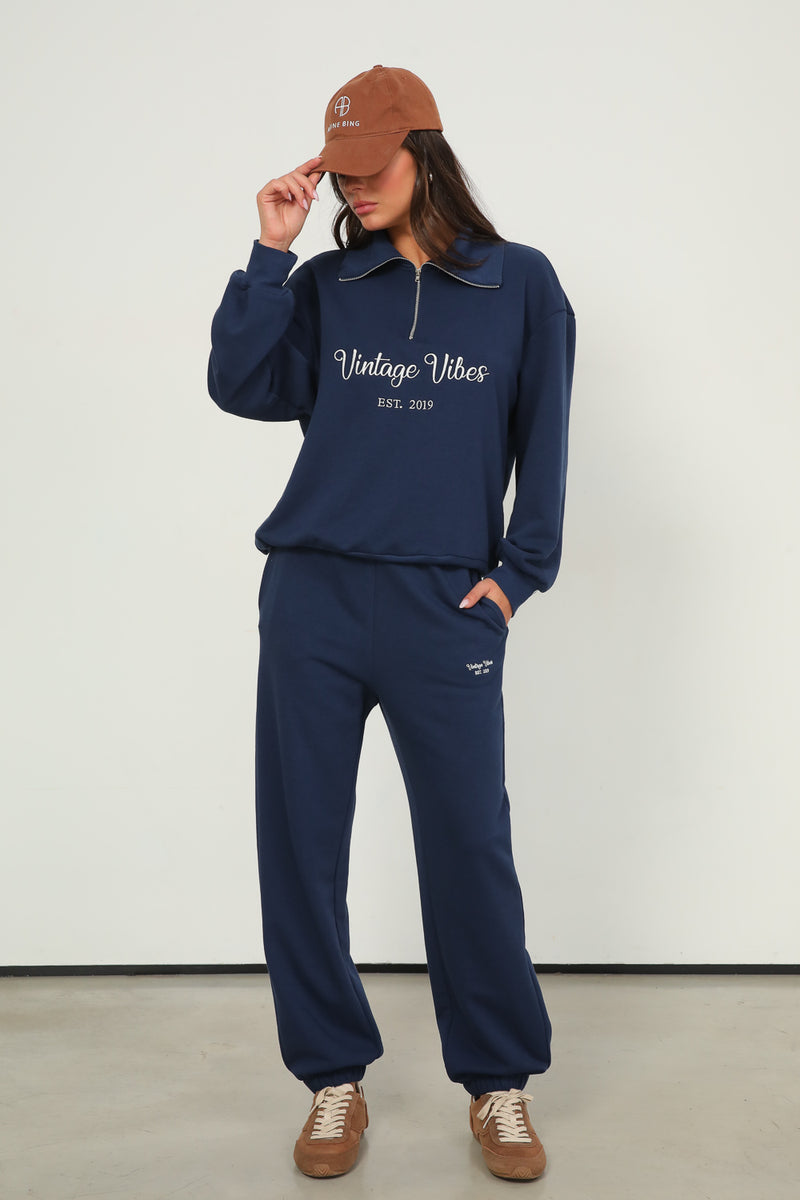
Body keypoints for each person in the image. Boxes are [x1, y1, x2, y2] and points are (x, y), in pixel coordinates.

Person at [207, 63, 576, 1182]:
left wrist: (517, 576)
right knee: (300, 845)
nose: (354, 189)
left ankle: (498, 1082)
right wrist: (269, 254)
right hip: (312, 594)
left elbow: (545, 438)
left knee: (467, 846)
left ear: (425, 152)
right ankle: (332, 1078)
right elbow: (241, 386)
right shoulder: (326, 284)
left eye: (373, 168)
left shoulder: (519, 283)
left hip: (442, 605)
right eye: (341, 173)